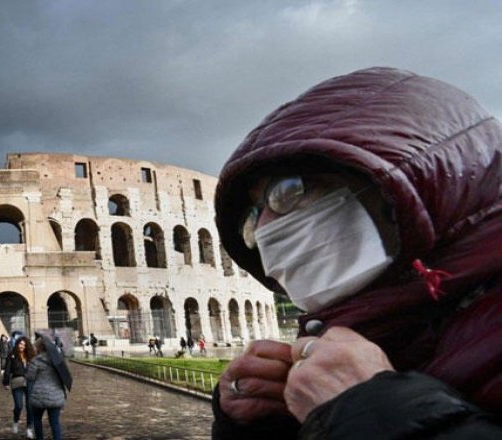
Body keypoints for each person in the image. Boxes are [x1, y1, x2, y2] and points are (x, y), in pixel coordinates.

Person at [210, 67, 502, 439]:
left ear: (404, 180)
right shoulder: (380, 330)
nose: (264, 229)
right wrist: (256, 426)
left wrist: (371, 412)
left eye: (286, 191)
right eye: (253, 217)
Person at [27, 336, 68, 440]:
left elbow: (30, 377)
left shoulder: (36, 360)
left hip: (39, 396)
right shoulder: (58, 360)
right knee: (55, 423)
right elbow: (64, 375)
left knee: (37, 420)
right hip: (55, 396)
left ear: (39, 348)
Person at [3, 336, 35, 437]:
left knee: (30, 407)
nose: (22, 346)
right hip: (16, 382)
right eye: (20, 344)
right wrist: (6, 382)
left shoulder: (30, 355)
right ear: (17, 344)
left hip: (29, 382)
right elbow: (7, 369)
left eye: (24, 345)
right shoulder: (12, 355)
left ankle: (29, 428)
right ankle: (16, 421)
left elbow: (35, 369)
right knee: (19, 406)